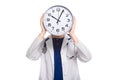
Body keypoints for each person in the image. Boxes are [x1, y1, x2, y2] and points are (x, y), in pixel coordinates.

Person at [26, 14, 92, 80]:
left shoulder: (73, 42)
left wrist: (72, 34)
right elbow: (30, 56)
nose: (57, 24)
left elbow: (87, 58)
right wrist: (42, 32)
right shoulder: (44, 43)